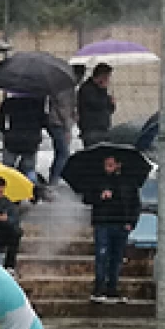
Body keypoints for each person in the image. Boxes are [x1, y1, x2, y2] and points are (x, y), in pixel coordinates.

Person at [84, 153, 141, 303]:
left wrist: (131, 222)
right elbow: (87, 198)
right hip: (103, 223)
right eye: (106, 164)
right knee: (102, 256)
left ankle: (112, 288)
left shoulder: (129, 181)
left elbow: (135, 204)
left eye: (110, 164)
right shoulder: (97, 180)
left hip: (121, 224)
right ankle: (98, 289)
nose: (107, 168)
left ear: (118, 165)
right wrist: (100, 196)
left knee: (116, 258)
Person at [0, 92, 47, 185]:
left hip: (12, 138)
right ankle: (32, 191)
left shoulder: (9, 102)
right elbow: (44, 122)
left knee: (7, 168)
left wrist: (6, 132)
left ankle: (7, 189)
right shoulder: (37, 103)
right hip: (31, 139)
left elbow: (1, 121)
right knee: (29, 169)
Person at [44, 82, 75, 188]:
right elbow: (64, 109)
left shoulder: (59, 87)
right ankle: (54, 180)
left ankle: (54, 178)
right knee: (64, 153)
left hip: (56, 122)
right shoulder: (65, 89)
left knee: (60, 152)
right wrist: (68, 127)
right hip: (58, 123)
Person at [77, 64, 115, 149]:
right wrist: (103, 91)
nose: (108, 80)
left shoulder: (102, 90)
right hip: (92, 129)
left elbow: (109, 109)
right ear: (101, 76)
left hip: (103, 127)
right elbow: (97, 104)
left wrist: (111, 103)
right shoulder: (87, 88)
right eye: (107, 77)